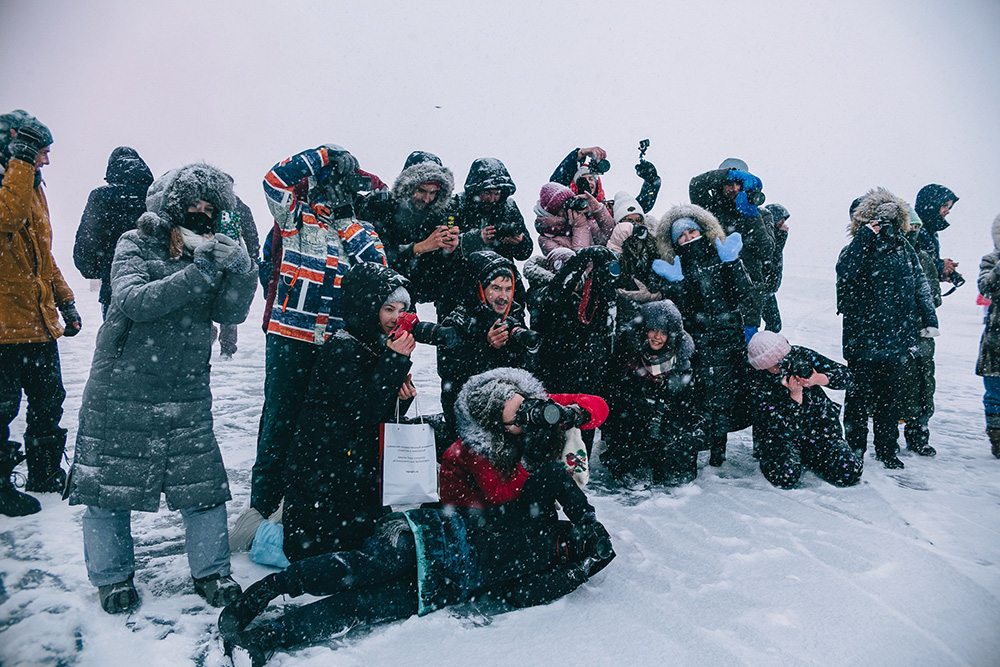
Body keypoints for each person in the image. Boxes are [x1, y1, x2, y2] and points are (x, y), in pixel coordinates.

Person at [218, 368, 613, 665]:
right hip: (433, 535)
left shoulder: (549, 561)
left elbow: (515, 594)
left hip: (445, 583)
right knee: (362, 566)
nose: (523, 421)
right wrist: (585, 515)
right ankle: (271, 588)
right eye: (514, 417)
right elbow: (546, 479)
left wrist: (583, 564)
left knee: (361, 608)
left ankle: (270, 636)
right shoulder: (479, 455)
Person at [66, 163, 257, 613]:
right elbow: (134, 300)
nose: (201, 213)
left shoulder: (207, 252)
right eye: (192, 203)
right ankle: (112, 579)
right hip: (121, 385)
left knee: (203, 486)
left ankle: (211, 572)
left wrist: (243, 270)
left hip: (186, 386)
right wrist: (200, 272)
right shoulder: (134, 242)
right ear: (172, 204)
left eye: (210, 207)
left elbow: (230, 314)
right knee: (108, 488)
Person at [244, 144, 387, 535]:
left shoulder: (362, 230)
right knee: (279, 422)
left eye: (340, 188)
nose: (332, 193)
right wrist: (325, 155)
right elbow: (273, 180)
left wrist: (346, 219)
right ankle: (263, 509)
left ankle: (305, 510)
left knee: (320, 428)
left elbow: (377, 268)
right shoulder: (295, 217)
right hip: (290, 335)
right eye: (329, 186)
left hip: (335, 343)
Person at [283, 263, 416, 562]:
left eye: (401, 309)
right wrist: (394, 361)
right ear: (367, 308)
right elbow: (362, 411)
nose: (396, 318)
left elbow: (377, 412)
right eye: (388, 309)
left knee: (365, 545)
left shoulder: (378, 345)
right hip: (324, 471)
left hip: (352, 468)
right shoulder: (342, 348)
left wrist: (402, 399)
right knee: (329, 552)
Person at [0, 110, 81, 517]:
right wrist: (20, 162)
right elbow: (6, 219)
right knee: (1, 408)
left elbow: (42, 256)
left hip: (37, 323)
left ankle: (46, 475)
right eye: (41, 152)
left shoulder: (30, 186)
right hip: (3, 327)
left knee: (49, 402)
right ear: (17, 146)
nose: (46, 161)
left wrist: (64, 300)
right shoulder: (13, 187)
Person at [836, 188, 938, 469]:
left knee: (888, 400)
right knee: (857, 398)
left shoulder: (903, 249)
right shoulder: (856, 247)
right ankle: (854, 447)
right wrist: (866, 236)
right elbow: (845, 270)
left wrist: (930, 319)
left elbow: (921, 285)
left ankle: (887, 449)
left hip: (895, 337)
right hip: (862, 338)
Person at [650, 204, 755, 467]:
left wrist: (734, 263)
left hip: (729, 339)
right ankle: (699, 450)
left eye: (691, 231)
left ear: (702, 230)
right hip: (699, 342)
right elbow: (682, 310)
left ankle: (720, 452)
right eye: (681, 236)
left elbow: (743, 293)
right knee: (702, 397)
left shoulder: (721, 256)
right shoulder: (678, 264)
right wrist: (678, 283)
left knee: (728, 396)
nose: (687, 238)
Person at [602, 299, 706, 485]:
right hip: (633, 425)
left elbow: (691, 405)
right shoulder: (627, 356)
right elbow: (613, 397)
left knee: (676, 472)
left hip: (667, 427)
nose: (657, 337)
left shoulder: (683, 361)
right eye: (653, 330)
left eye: (664, 332)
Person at [437, 251, 538, 442]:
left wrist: (519, 346)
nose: (504, 296)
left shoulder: (513, 315)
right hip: (467, 419)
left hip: (505, 415)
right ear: (480, 288)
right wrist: (486, 346)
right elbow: (449, 372)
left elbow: (527, 370)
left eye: (508, 289)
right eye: (496, 288)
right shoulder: (458, 319)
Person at [747, 331, 863, 488]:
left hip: (818, 430)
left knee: (850, 471)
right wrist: (796, 395)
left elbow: (848, 376)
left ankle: (810, 456)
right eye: (774, 365)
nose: (782, 366)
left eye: (784, 359)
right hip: (778, 437)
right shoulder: (756, 380)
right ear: (762, 366)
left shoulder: (800, 356)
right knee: (785, 477)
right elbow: (778, 425)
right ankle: (793, 456)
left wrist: (819, 379)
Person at [354, 151, 460, 311]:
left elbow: (433, 282)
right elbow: (371, 258)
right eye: (422, 191)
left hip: (407, 299)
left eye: (433, 193)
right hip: (373, 299)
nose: (427, 199)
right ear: (408, 186)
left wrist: (448, 252)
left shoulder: (435, 217)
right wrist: (418, 248)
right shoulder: (381, 207)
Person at [689, 158, 775, 335]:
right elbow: (695, 185)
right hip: (714, 293)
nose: (734, 189)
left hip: (749, 299)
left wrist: (751, 214)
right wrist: (726, 174)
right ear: (720, 185)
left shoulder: (762, 215)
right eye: (729, 183)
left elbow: (766, 251)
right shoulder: (711, 208)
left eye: (739, 184)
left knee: (746, 354)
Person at [73, 146, 154, 319]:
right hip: (153, 285)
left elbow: (87, 243)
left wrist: (99, 271)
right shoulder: (153, 194)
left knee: (114, 340)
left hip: (114, 284)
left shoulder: (101, 196)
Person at [898, 204, 942, 457]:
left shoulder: (922, 258)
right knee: (903, 385)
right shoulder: (892, 256)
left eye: (917, 227)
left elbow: (933, 296)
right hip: (899, 333)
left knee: (925, 384)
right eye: (910, 226)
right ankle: (893, 434)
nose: (913, 231)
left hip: (921, 333)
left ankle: (919, 434)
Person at [450, 157, 533, 262]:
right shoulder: (457, 204)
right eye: (487, 193)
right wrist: (477, 238)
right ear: (476, 190)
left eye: (496, 193)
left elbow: (525, 253)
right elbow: (444, 249)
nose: (492, 199)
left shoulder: (509, 207)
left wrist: (519, 241)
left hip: (502, 272)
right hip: (464, 271)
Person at [548, 145, 661, 214]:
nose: (588, 182)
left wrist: (651, 182)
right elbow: (553, 187)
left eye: (591, 179)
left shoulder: (609, 208)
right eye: (582, 179)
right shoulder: (567, 208)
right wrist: (580, 154)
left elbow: (639, 208)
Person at [216, 195, 260, 358]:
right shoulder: (240, 207)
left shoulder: (208, 203)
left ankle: (219, 343)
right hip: (232, 258)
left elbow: (251, 236)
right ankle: (227, 348)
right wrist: (253, 258)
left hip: (214, 257)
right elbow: (251, 236)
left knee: (206, 299)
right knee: (229, 302)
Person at [533, 181, 615, 256]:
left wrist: (597, 209)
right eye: (565, 205)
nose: (571, 207)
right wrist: (579, 227)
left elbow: (608, 237)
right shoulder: (546, 240)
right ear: (555, 211)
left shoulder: (578, 219)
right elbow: (576, 266)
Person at [975, 213, 1000, 458]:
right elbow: (987, 288)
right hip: (996, 341)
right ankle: (997, 436)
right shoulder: (991, 260)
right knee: (995, 394)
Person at [914, 184, 960, 287]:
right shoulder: (914, 229)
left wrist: (940, 273)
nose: (948, 211)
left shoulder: (929, 230)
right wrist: (940, 265)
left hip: (923, 296)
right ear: (933, 204)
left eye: (949, 207)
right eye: (944, 206)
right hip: (915, 298)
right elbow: (913, 265)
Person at [760, 203, 790, 332]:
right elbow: (772, 258)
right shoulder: (767, 238)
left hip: (767, 289)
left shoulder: (773, 237)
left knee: (774, 324)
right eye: (781, 223)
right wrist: (782, 236)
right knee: (774, 324)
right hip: (762, 288)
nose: (785, 227)